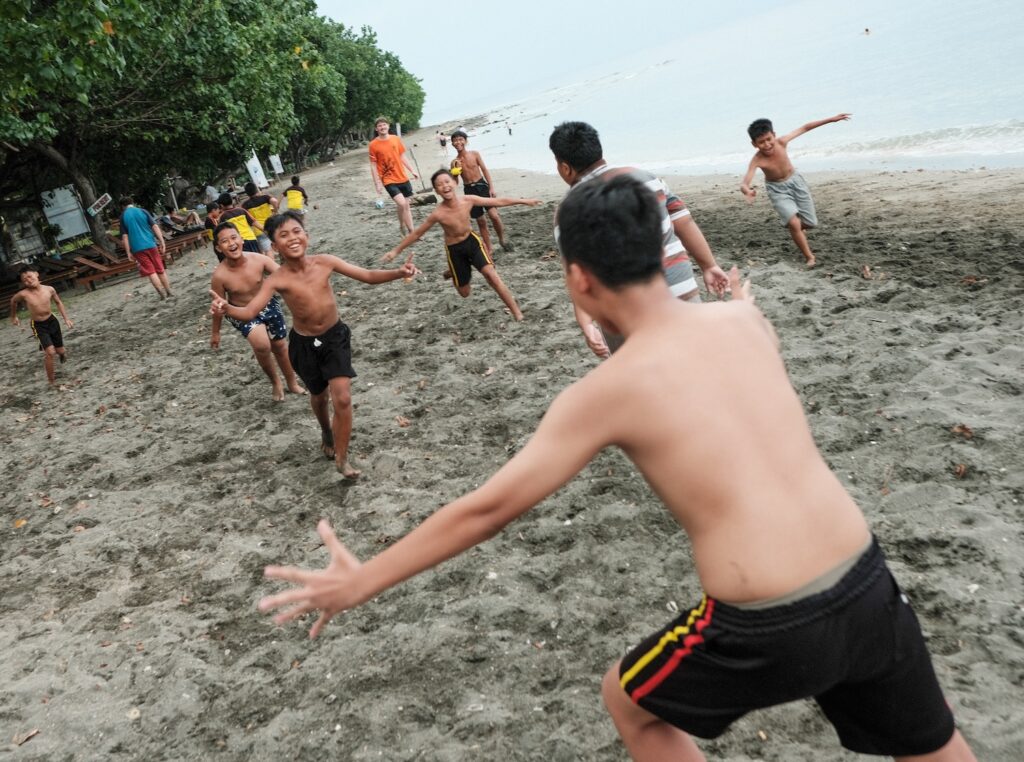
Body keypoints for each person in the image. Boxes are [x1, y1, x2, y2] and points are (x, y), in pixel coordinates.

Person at [258, 176, 976, 762]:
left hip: (767, 619)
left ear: (579, 279)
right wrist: (739, 303)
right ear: (660, 250)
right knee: (933, 745)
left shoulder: (604, 394)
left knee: (629, 703)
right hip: (866, 576)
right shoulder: (743, 322)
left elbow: (486, 509)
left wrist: (362, 580)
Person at [209, 211, 417, 478]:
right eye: (283, 235)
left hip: (335, 338)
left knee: (341, 397)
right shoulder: (277, 279)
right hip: (304, 345)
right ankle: (326, 430)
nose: (292, 238)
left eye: (297, 231)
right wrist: (226, 309)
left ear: (306, 235)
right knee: (319, 397)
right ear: (274, 246)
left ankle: (343, 459)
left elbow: (366, 275)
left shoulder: (325, 262)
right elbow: (249, 312)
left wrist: (399, 273)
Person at [549, 121, 729, 357]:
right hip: (680, 289)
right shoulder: (647, 178)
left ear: (565, 167)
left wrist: (586, 323)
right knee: (696, 363)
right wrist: (709, 265)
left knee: (645, 378)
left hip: (624, 314)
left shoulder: (568, 211)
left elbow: (578, 272)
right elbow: (684, 221)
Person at [382, 169, 533, 322]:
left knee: (491, 275)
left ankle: (517, 312)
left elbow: (497, 202)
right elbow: (416, 234)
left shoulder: (468, 200)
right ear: (436, 191)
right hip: (455, 250)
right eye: (439, 185)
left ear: (454, 182)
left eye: (447, 182)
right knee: (464, 292)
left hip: (472, 242)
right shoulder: (438, 213)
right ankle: (453, 272)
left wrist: (523, 201)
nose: (445, 186)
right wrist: (396, 251)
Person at [209, 223, 306, 402]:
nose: (231, 243)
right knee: (262, 345)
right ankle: (276, 381)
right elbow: (219, 306)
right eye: (224, 241)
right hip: (241, 313)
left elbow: (284, 276)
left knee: (280, 346)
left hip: (268, 306)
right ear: (218, 247)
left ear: (242, 238)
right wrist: (215, 332)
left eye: (233, 237)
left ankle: (292, 382)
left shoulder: (258, 259)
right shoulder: (220, 276)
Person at [740, 113, 852, 267]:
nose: (767, 145)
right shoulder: (757, 159)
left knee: (810, 223)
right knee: (794, 223)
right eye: (761, 142)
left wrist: (830, 120)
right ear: (754, 144)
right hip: (777, 190)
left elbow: (805, 127)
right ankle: (809, 256)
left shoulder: (782, 142)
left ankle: (795, 228)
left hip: (795, 182)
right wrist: (747, 191)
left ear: (774, 135)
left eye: (768, 139)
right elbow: (745, 182)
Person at [9, 267, 74, 385]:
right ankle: (51, 380)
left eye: (29, 276)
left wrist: (66, 319)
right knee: (50, 352)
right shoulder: (23, 294)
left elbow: (58, 302)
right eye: (24, 280)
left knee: (60, 350)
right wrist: (13, 316)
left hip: (52, 321)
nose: (28, 280)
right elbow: (13, 301)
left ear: (36, 274)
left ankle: (62, 353)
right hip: (38, 325)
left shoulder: (49, 289)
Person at [449, 130, 510, 254]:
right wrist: (455, 171)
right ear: (452, 144)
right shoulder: (454, 162)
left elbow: (485, 170)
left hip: (482, 186)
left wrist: (491, 187)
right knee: (481, 221)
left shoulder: (475, 154)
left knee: (494, 216)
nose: (458, 142)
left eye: (460, 139)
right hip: (469, 190)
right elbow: (455, 183)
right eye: (455, 140)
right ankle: (489, 248)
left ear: (466, 141)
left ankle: (502, 239)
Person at [368, 116, 419, 237]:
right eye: (379, 125)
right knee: (402, 204)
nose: (382, 127)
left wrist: (412, 170)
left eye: (384, 124)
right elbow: (373, 166)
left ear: (388, 126)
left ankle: (404, 227)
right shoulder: (373, 145)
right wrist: (377, 183)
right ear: (376, 129)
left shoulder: (396, 139)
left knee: (406, 205)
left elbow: (402, 156)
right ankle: (411, 232)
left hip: (402, 177)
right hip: (388, 179)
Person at [118, 196, 172, 299]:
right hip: (151, 244)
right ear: (132, 203)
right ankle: (169, 291)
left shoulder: (123, 216)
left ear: (122, 206)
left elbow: (125, 236)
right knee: (160, 269)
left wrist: (128, 252)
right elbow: (155, 226)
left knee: (151, 271)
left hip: (137, 248)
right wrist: (162, 241)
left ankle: (162, 295)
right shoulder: (143, 211)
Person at [242, 181, 280, 253]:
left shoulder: (245, 205)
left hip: (258, 230)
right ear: (256, 189)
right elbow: (275, 201)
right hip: (271, 225)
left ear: (247, 193)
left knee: (266, 250)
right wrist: (275, 211)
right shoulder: (265, 197)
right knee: (278, 245)